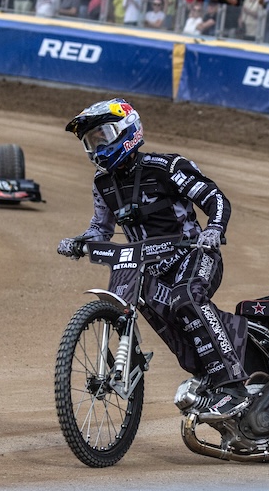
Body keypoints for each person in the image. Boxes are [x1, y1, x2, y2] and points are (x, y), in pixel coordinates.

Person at [57, 99, 250, 421]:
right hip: (147, 267)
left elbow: (214, 197)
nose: (98, 147)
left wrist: (214, 229)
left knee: (186, 297)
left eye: (103, 136)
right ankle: (206, 374)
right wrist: (79, 242)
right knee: (151, 309)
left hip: (194, 254)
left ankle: (234, 386)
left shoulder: (166, 167)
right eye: (91, 141)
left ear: (127, 131)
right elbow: (100, 229)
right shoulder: (102, 183)